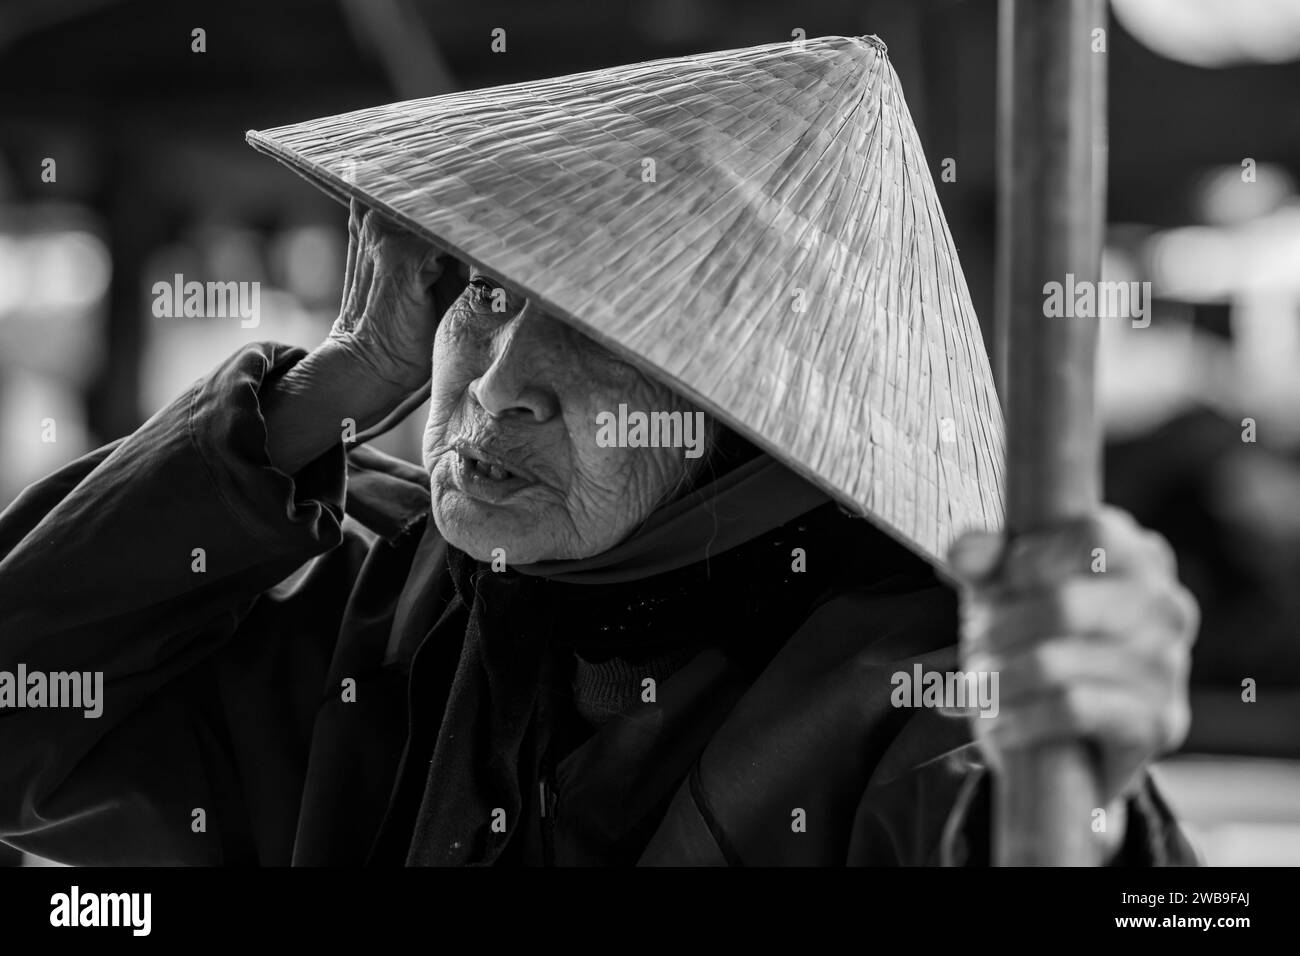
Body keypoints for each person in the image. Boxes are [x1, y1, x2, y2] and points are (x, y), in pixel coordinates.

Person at [0, 34, 1199, 866]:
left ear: (752, 426)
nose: (504, 386)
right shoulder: (373, 596)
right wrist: (344, 375)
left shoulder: (917, 690)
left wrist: (1093, 793)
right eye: (481, 295)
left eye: (607, 339)